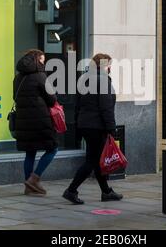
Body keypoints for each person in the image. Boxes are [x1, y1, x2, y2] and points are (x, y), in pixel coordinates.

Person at [63, 54, 123, 205]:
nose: (110, 68)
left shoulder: (85, 79)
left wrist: (78, 125)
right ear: (104, 66)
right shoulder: (103, 80)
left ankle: (106, 192)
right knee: (91, 161)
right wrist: (111, 128)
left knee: (97, 161)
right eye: (109, 65)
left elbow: (78, 106)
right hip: (97, 126)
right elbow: (106, 108)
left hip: (85, 125)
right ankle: (71, 190)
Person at [13, 49, 58, 196]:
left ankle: (28, 186)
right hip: (40, 120)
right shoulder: (40, 76)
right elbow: (52, 99)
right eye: (42, 61)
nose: (43, 64)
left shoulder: (18, 77)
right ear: (37, 60)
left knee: (30, 152)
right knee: (52, 149)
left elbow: (15, 97)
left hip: (23, 120)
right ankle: (34, 178)